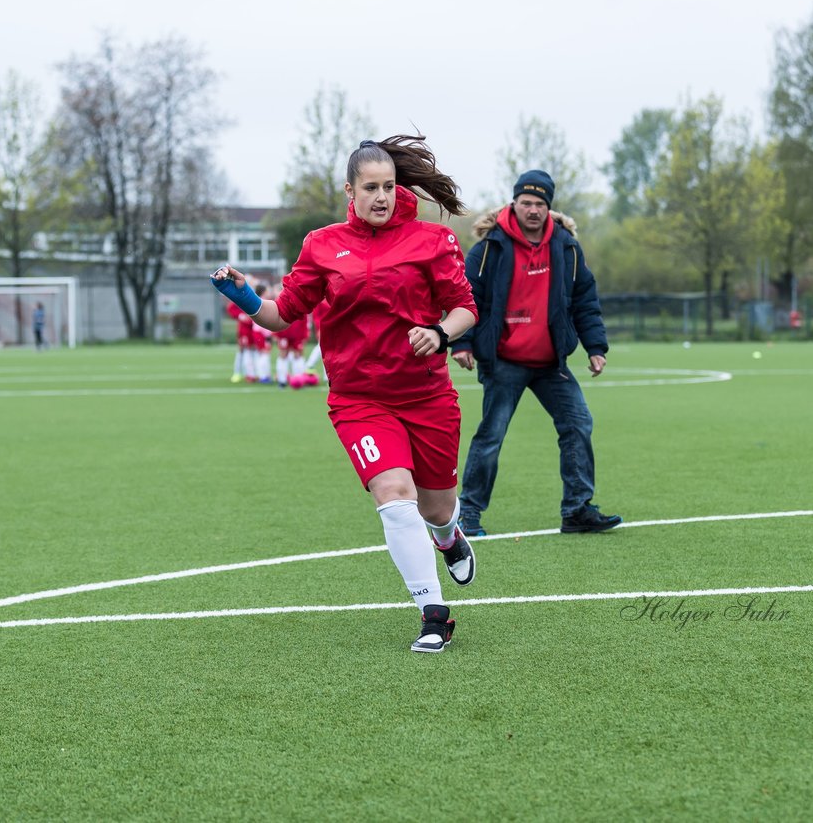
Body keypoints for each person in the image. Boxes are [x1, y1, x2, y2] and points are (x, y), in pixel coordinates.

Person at [211, 135, 478, 653]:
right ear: (349, 191)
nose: (381, 196)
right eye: (370, 187)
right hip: (359, 400)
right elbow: (281, 314)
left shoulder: (432, 240)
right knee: (395, 498)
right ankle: (433, 612)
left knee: (437, 508)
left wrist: (442, 333)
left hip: (426, 396)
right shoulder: (322, 245)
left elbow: (464, 308)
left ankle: (448, 537)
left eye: (389, 186)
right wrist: (241, 293)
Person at [450, 170, 622, 536]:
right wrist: (462, 343)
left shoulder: (567, 248)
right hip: (503, 360)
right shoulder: (489, 249)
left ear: (549, 208)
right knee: (491, 435)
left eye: (539, 204)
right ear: (513, 203)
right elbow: (465, 298)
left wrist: (596, 347)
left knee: (578, 424)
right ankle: (468, 514)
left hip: (550, 363)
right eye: (526, 202)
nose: (532, 209)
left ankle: (577, 509)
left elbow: (584, 301)